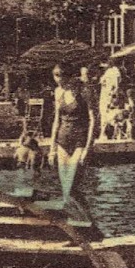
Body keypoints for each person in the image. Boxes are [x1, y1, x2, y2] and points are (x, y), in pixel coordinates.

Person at [47, 62, 96, 202]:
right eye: (55, 76)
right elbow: (56, 121)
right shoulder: (58, 92)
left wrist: (88, 147)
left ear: (69, 76)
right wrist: (52, 149)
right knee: (65, 187)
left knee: (72, 181)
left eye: (60, 75)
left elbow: (93, 120)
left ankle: (83, 215)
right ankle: (72, 218)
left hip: (80, 140)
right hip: (62, 140)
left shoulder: (85, 91)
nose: (58, 79)